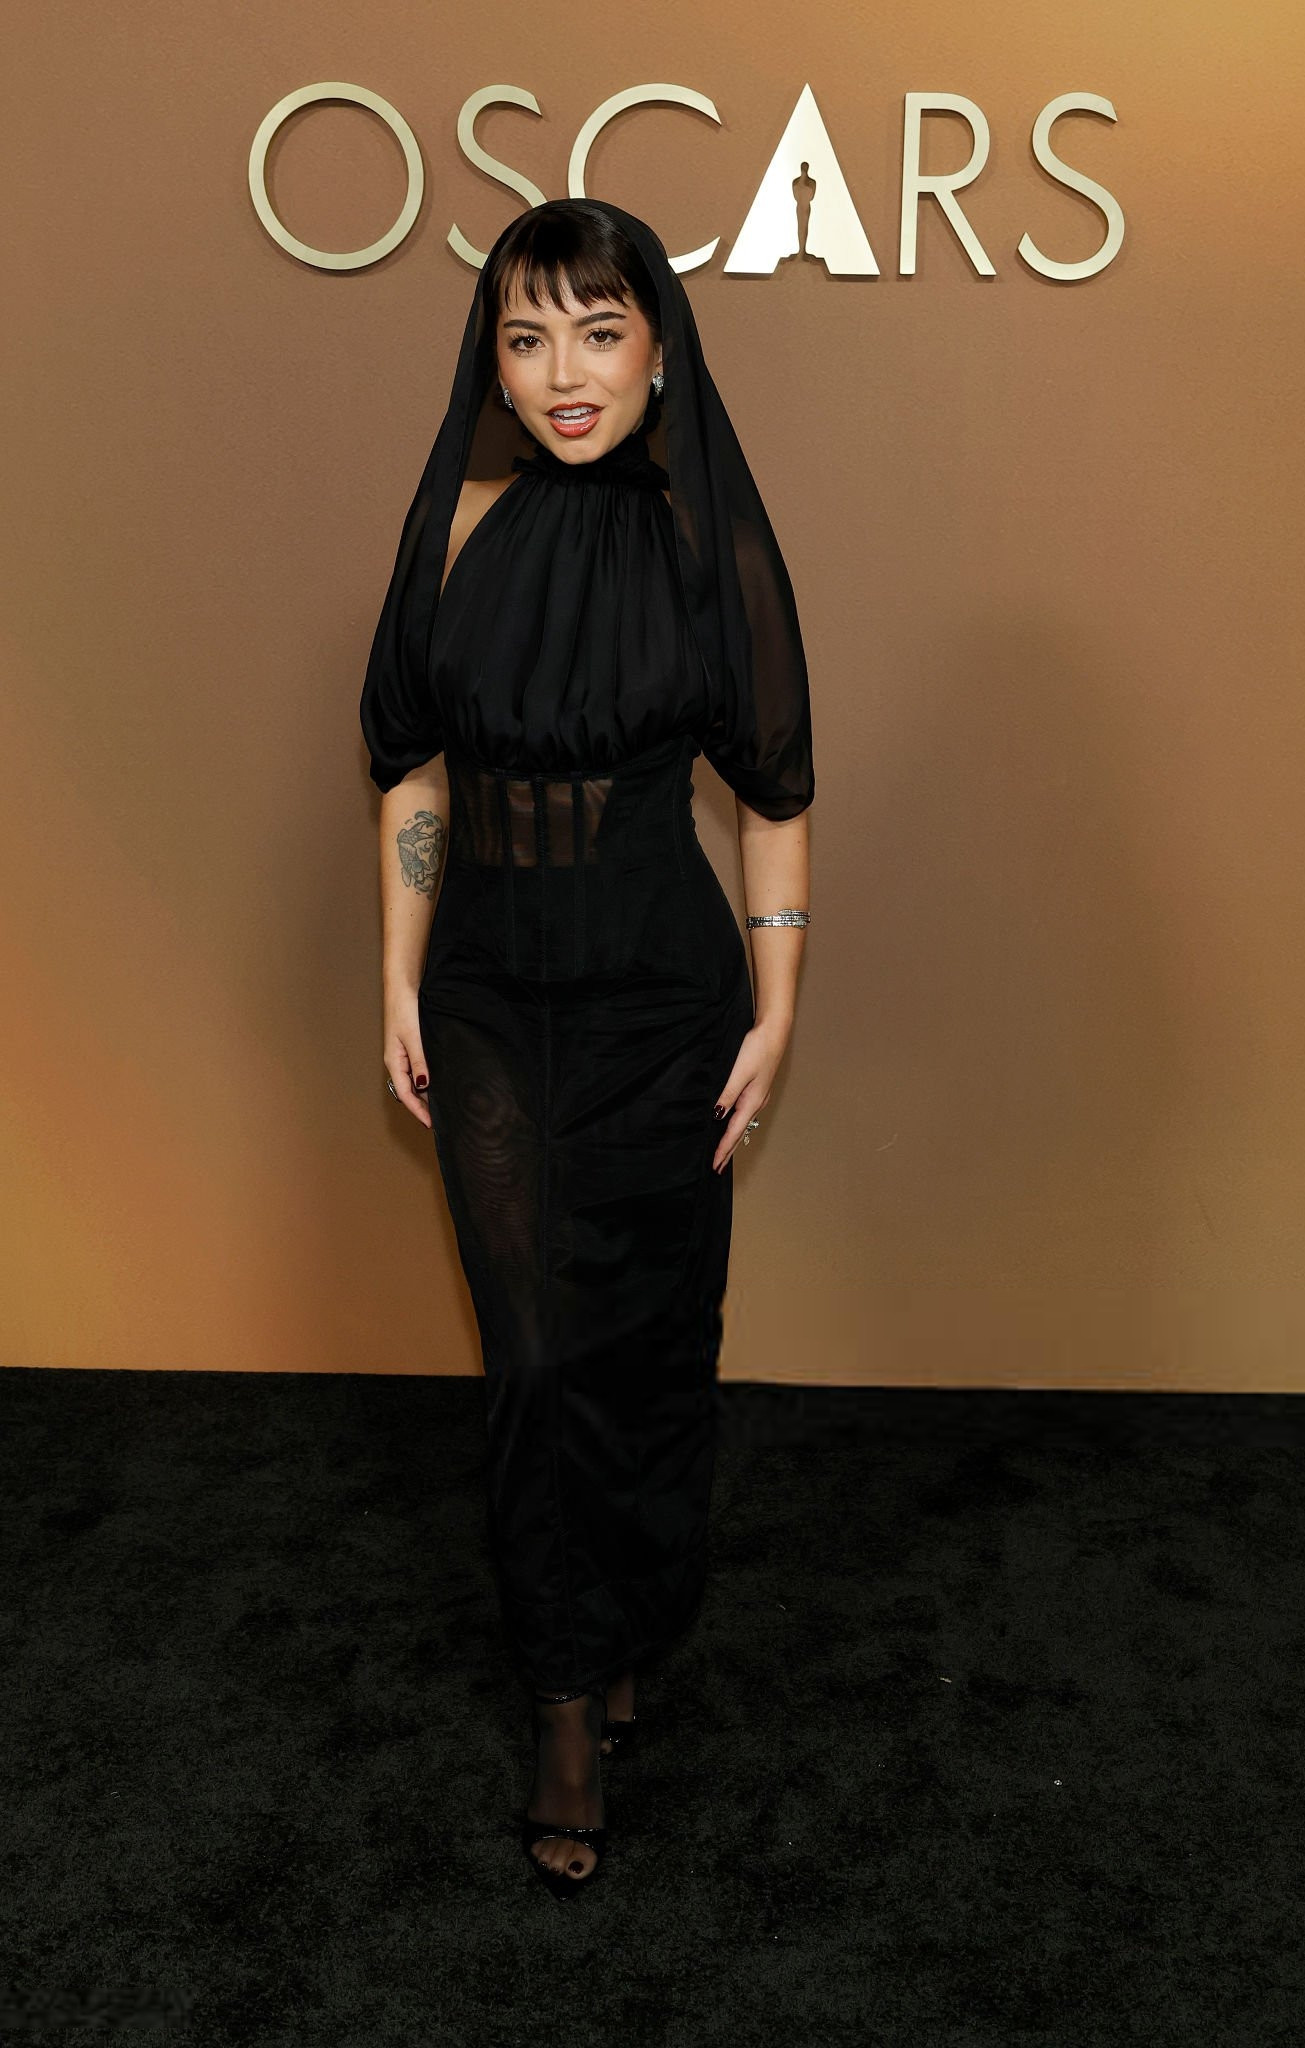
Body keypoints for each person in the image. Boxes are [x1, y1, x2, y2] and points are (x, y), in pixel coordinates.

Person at [359, 197, 814, 1898]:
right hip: (487, 991)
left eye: (601, 332)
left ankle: (625, 1624)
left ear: (659, 352)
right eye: (528, 335)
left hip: (662, 994)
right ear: (491, 361)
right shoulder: (455, 528)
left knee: (642, 1342)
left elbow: (775, 791)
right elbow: (410, 765)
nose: (565, 371)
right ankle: (563, 1694)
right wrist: (399, 975)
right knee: (533, 1353)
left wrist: (780, 1005)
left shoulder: (707, 544)